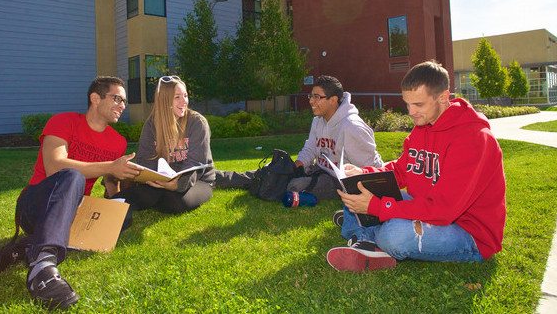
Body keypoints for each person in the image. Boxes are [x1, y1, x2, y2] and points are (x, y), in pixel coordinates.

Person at [326, 61, 506, 272]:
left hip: (468, 232)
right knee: (360, 187)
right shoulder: (423, 126)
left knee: (394, 234)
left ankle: (363, 227)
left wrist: (376, 208)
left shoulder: (474, 138)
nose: (411, 112)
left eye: (418, 105)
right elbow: (401, 171)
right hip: (426, 209)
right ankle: (364, 238)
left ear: (443, 97)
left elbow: (444, 210)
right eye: (407, 104)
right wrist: (364, 173)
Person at [0, 76, 141, 310]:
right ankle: (43, 268)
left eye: (125, 102)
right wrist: (110, 166)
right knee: (72, 176)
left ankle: (25, 248)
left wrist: (116, 196)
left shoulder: (117, 142)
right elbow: (55, 166)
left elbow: (109, 180)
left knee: (122, 217)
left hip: (77, 209)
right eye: (117, 98)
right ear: (95, 98)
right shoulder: (63, 121)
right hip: (38, 205)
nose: (122, 105)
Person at [216, 75, 383, 201]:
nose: (311, 101)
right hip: (318, 170)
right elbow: (310, 149)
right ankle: (216, 177)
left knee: (292, 186)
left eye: (317, 97)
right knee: (271, 172)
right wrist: (294, 166)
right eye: (310, 96)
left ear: (333, 100)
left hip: (338, 181)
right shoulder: (318, 121)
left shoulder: (351, 127)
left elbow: (370, 168)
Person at [110, 75, 215, 214]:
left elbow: (196, 163)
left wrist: (177, 185)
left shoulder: (197, 123)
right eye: (177, 97)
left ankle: (161, 195)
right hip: (162, 181)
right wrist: (154, 179)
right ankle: (108, 206)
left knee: (174, 202)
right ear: (164, 100)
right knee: (146, 195)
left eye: (185, 95)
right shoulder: (152, 125)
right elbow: (145, 159)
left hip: (198, 181)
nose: (184, 101)